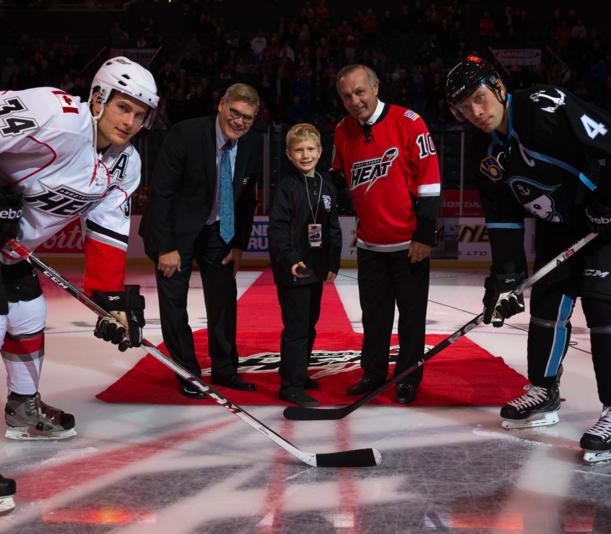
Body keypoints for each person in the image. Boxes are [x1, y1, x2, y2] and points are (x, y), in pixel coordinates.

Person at [0, 56, 157, 515]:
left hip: (0, 241)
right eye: (123, 107)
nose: (130, 121)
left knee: (28, 310)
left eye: (140, 114)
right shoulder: (58, 114)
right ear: (98, 98)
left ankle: (23, 410)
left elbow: (106, 230)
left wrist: (110, 300)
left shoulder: (126, 165)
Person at [445, 55, 611, 462]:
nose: (475, 112)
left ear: (498, 87)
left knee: (605, 307)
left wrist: (610, 203)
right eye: (464, 107)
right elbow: (503, 218)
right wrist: (506, 278)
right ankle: (544, 391)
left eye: (479, 97)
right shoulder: (483, 148)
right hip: (571, 220)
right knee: (547, 302)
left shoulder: (543, 107)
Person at [139, 83, 263, 398]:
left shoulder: (251, 144)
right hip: (175, 232)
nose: (239, 122)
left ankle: (225, 369)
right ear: (221, 105)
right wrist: (166, 247)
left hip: (218, 231)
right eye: (235, 112)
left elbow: (247, 199)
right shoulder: (186, 134)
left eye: (247, 118)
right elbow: (162, 192)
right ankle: (188, 373)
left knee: (223, 300)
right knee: (174, 306)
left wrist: (238, 244)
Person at [331, 64, 441, 404]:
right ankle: (373, 372)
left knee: (411, 318)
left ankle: (407, 379)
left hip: (409, 245)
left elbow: (430, 181)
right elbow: (338, 176)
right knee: (374, 316)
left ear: (376, 87)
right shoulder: (343, 129)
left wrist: (425, 235)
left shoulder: (409, 122)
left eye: (359, 92)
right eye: (346, 96)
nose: (354, 101)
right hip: (369, 245)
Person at [268, 123, 342, 408]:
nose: (305, 155)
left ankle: (298, 372)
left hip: (316, 267)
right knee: (296, 328)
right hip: (293, 269)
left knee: (309, 325)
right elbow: (277, 230)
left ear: (320, 151)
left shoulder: (326, 185)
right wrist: (290, 259)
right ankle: (291, 386)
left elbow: (333, 227)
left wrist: (333, 261)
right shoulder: (286, 187)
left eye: (310, 149)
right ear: (289, 154)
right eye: (299, 150)